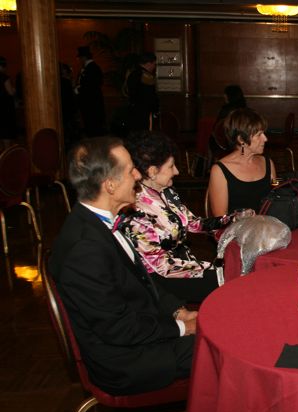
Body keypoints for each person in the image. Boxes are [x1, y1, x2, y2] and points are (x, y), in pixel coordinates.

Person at [48, 136, 197, 396]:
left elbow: (143, 281)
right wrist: (184, 328)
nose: (139, 175)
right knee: (228, 347)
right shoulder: (84, 249)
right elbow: (118, 328)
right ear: (110, 185)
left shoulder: (103, 221)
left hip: (140, 332)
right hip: (126, 361)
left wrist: (178, 312)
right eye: (131, 170)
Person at [121, 131, 240, 304]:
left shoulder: (166, 191)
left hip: (183, 265)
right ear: (152, 171)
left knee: (235, 274)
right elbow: (160, 266)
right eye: (171, 166)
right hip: (160, 281)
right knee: (231, 283)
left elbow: (192, 223)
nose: (176, 171)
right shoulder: (136, 208)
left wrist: (232, 219)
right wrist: (207, 269)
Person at [207, 107, 276, 215]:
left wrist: (281, 184)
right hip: (236, 230)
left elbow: (275, 192)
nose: (265, 139)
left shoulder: (268, 163)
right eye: (259, 135)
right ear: (241, 140)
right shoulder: (220, 170)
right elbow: (220, 218)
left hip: (267, 227)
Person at [75, 46, 107, 137]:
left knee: (93, 128)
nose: (78, 60)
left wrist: (77, 90)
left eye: (79, 58)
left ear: (84, 57)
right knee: (90, 126)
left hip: (92, 103)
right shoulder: (88, 68)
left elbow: (91, 86)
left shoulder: (92, 68)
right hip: (90, 104)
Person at [125, 52, 159, 134]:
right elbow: (150, 95)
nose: (154, 67)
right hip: (144, 111)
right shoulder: (146, 76)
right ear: (148, 63)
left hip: (133, 109)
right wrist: (155, 109)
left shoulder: (132, 73)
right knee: (145, 133)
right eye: (154, 64)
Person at [0, 56, 17, 147]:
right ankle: (7, 153)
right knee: (6, 130)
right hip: (5, 107)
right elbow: (10, 92)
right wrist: (14, 90)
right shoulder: (4, 77)